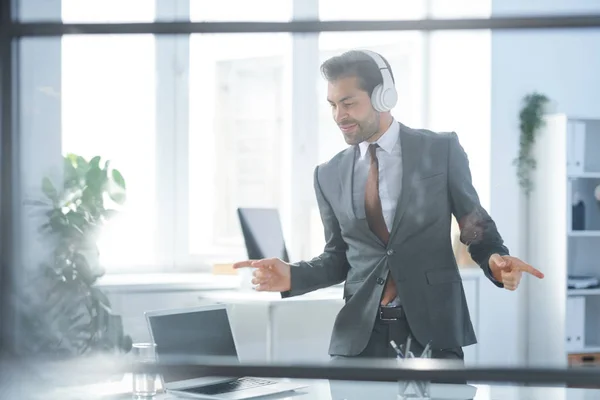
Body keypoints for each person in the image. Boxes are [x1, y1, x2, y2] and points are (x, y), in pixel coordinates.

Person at [233, 50, 544, 362]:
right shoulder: (327, 174)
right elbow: (338, 258)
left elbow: (474, 225)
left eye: (349, 102)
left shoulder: (439, 150)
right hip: (360, 337)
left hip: (433, 329)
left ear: (383, 97)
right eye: (333, 105)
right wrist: (293, 276)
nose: (339, 115)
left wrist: (493, 258)